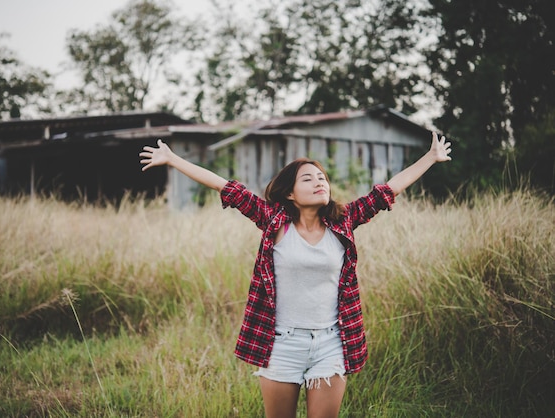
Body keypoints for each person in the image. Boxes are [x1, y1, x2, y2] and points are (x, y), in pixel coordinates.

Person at [139, 132, 451, 418]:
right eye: (308, 179)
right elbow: (225, 187)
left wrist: (431, 156)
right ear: (290, 193)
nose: (319, 182)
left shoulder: (345, 221)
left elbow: (388, 190)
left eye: (322, 177)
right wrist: (172, 158)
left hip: (330, 343)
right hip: (282, 345)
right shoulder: (273, 221)